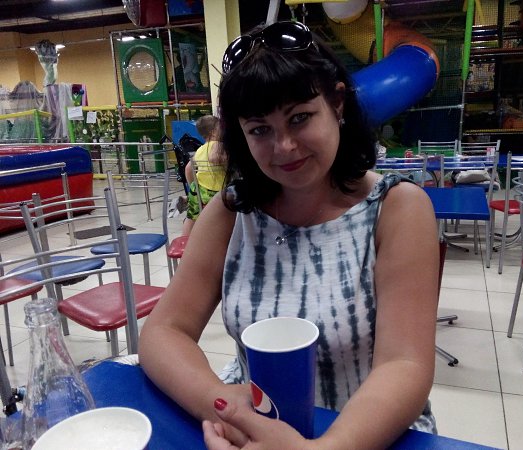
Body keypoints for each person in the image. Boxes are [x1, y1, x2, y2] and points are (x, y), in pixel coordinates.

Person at [139, 20, 439, 449]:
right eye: (260, 129)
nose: (284, 146)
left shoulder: (396, 208)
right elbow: (163, 331)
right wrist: (221, 404)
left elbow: (404, 363)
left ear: (337, 103)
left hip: (371, 434)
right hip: (254, 424)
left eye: (299, 118)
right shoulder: (231, 213)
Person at [182, 114, 227, 235]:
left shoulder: (200, 149)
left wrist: (194, 186)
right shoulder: (219, 145)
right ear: (213, 133)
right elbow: (214, 158)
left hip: (199, 191)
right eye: (221, 128)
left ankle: (184, 240)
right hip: (218, 192)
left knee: (191, 217)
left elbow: (188, 168)